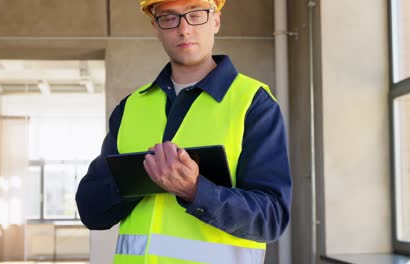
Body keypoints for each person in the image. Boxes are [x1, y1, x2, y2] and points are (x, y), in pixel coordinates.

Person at [76, 0, 292, 263]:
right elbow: (91, 211)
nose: (184, 29)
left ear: (216, 20)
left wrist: (195, 190)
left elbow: (271, 218)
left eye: (196, 14)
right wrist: (140, 177)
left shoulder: (252, 103)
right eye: (169, 18)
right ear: (156, 27)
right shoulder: (130, 108)